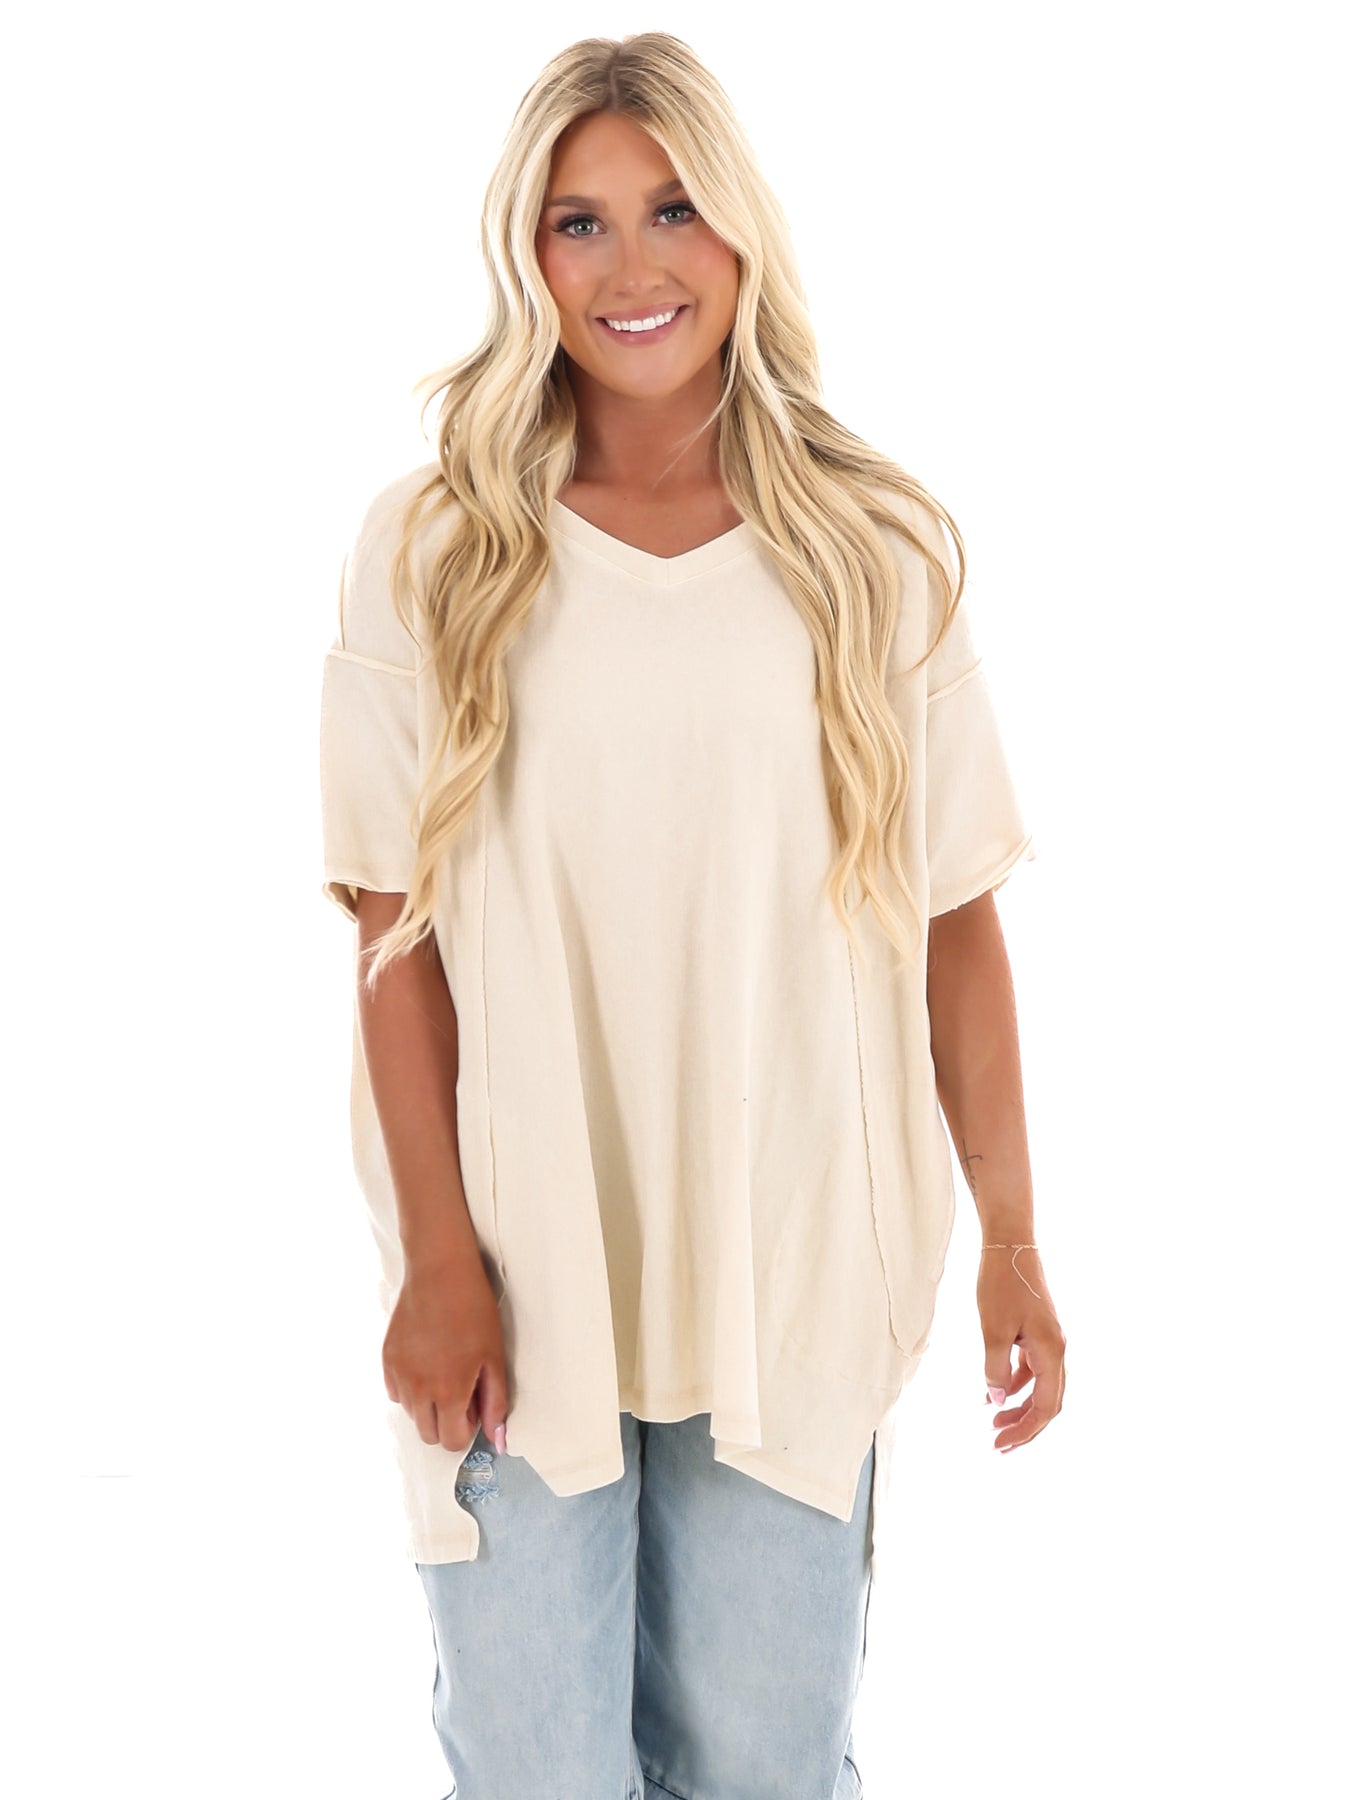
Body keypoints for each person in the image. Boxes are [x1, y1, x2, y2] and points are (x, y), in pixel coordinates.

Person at [318, 29, 1066, 1800]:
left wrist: (1013, 1244)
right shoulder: (433, 548)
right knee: (536, 1766)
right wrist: (437, 1260)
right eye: (576, 222)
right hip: (516, 1265)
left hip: (794, 1255)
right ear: (525, 250)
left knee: (761, 1766)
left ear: (740, 227)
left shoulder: (872, 550)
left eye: (671, 210)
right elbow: (390, 935)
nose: (629, 266)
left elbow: (955, 921)